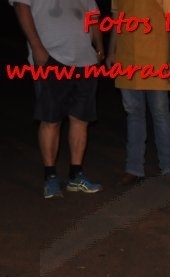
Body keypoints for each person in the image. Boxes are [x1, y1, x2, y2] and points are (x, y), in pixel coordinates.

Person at [12, 0, 104, 198]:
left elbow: (93, 17)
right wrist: (37, 48)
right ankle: (50, 177)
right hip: (51, 58)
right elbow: (21, 7)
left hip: (85, 61)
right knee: (50, 120)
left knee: (81, 119)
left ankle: (76, 174)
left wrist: (99, 48)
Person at [107, 0, 170, 186]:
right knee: (133, 114)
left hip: (157, 59)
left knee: (160, 113)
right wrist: (111, 52)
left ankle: (168, 167)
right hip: (127, 59)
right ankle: (134, 168)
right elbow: (117, 18)